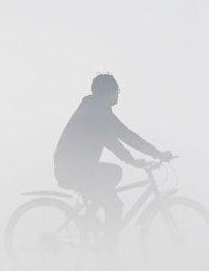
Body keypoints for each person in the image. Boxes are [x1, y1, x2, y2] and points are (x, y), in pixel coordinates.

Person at [54, 74, 173, 255]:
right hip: (72, 170)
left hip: (74, 169)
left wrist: (141, 157)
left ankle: (90, 216)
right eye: (116, 91)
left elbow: (118, 138)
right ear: (107, 93)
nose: (118, 95)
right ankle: (106, 253)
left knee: (111, 181)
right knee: (114, 198)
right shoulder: (96, 111)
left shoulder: (95, 109)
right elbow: (120, 137)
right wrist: (149, 156)